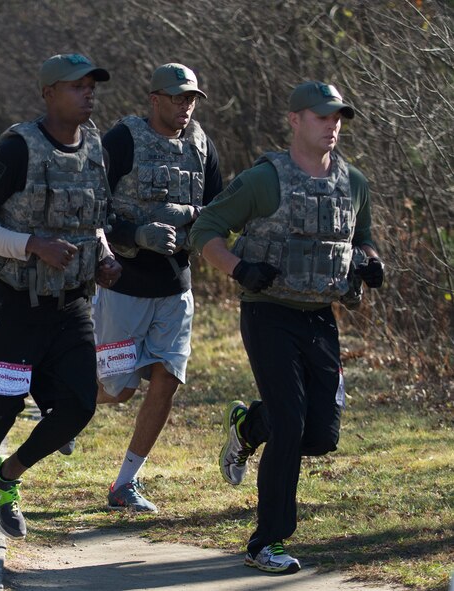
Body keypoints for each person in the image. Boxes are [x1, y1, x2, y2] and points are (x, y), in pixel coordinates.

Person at [190, 81, 384, 573]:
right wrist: (238, 268)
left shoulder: (354, 182)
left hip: (320, 316)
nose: (332, 124)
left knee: (320, 435)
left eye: (338, 116)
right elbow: (205, 229)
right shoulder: (263, 180)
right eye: (322, 116)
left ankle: (249, 424)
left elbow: (363, 241)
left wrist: (371, 262)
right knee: (292, 423)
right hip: (268, 311)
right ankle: (267, 542)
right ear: (295, 120)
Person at [0, 53, 121, 548]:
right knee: (0, 410)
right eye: (77, 86)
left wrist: (104, 257)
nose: (88, 94)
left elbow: (94, 220)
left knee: (79, 406)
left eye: (92, 86)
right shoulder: (18, 148)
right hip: (13, 301)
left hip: (70, 304)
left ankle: (6, 475)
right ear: (49, 94)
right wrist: (32, 245)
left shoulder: (96, 148)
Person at [95, 63, 223, 512]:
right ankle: (64, 407)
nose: (185, 107)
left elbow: (216, 212)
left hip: (175, 288)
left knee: (166, 381)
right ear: (154, 99)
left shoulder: (202, 145)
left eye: (190, 99)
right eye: (176, 98)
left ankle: (125, 483)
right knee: (118, 389)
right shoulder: (122, 141)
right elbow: (92, 210)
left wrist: (205, 237)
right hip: (124, 287)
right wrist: (134, 235)